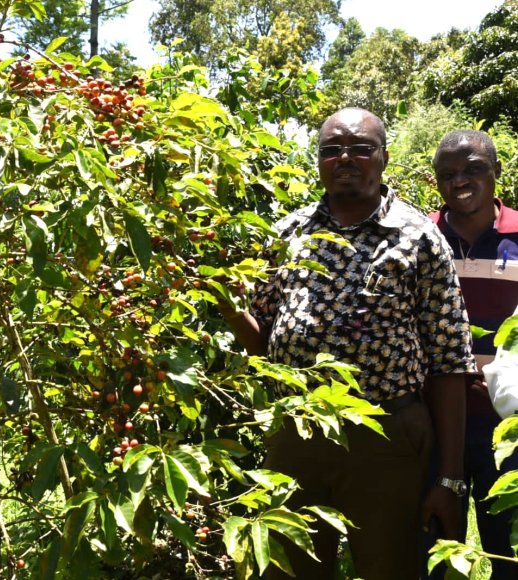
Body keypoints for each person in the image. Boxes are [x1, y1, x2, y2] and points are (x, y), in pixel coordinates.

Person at [216, 108, 476, 579]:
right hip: (297, 434)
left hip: (386, 438)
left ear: (383, 158)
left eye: (360, 148)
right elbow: (266, 344)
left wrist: (450, 476)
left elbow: (448, 360)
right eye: (332, 150)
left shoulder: (418, 237)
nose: (345, 159)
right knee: (283, 568)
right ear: (319, 162)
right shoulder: (290, 233)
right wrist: (232, 310)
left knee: (388, 566)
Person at [427, 129, 518, 578]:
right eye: (449, 174)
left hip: (508, 427)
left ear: (497, 172)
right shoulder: (419, 235)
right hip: (434, 420)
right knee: (432, 549)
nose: (461, 181)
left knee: (508, 550)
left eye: (474, 169)